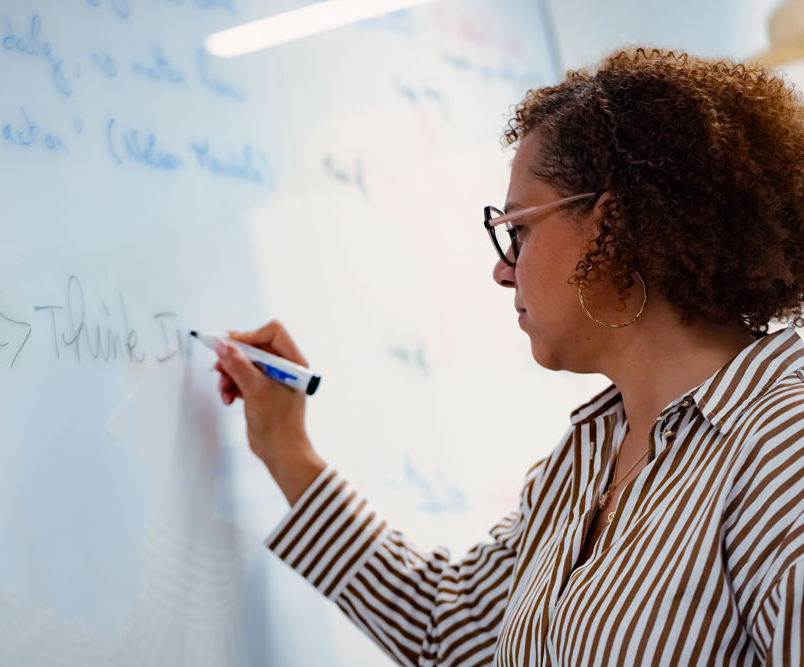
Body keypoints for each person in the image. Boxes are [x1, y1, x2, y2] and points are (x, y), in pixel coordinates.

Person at [211, 48, 804, 666]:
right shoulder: (585, 458)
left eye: (517, 229)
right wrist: (285, 447)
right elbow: (447, 630)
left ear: (615, 228)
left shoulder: (783, 447)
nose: (502, 269)